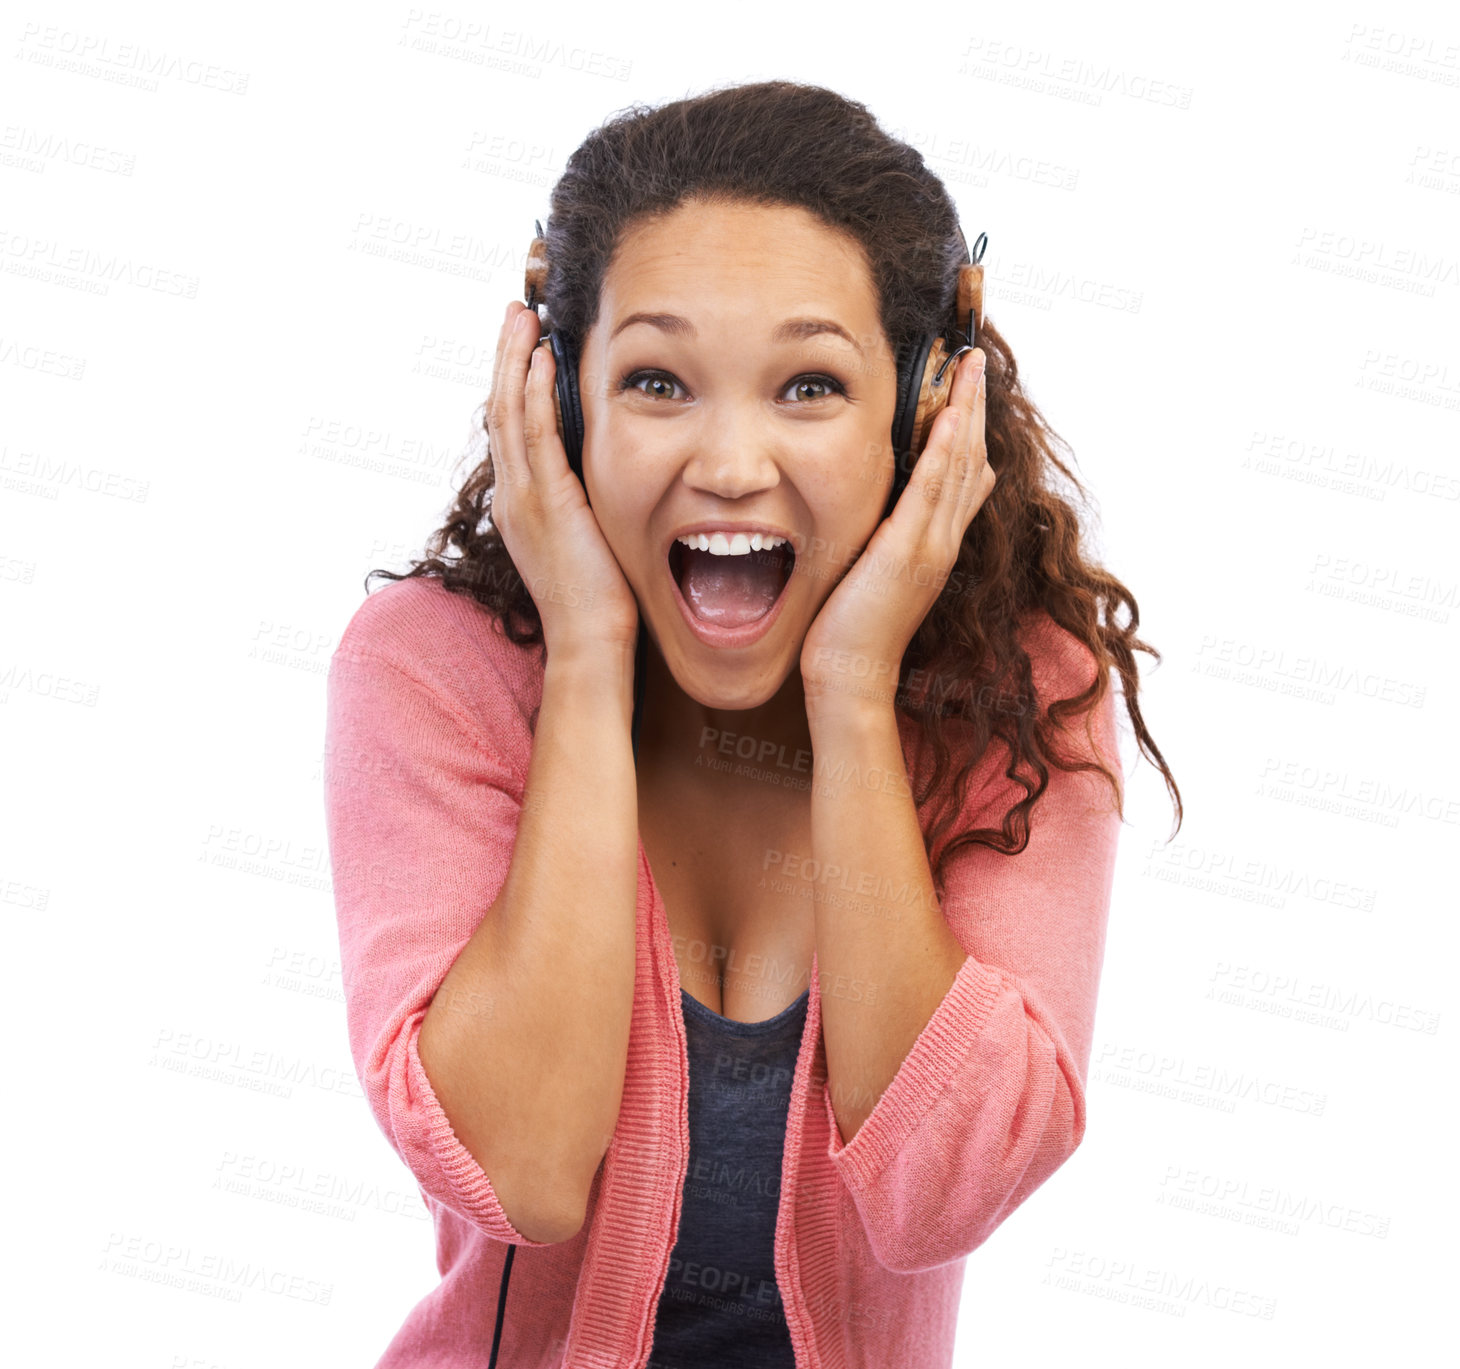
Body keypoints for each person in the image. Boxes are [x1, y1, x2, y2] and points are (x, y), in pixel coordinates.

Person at [324, 79, 1182, 1369]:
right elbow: (520, 1171)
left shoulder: (1026, 699)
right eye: (660, 379)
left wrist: (851, 689)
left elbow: (943, 1194)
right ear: (564, 406)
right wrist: (589, 653)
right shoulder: (434, 675)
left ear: (923, 410)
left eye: (810, 388)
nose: (730, 463)